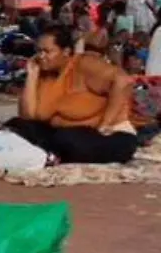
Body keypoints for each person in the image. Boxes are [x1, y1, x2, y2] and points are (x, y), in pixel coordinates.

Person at [9, 25, 136, 164]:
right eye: (38, 51)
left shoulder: (83, 64)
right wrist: (32, 76)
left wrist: (106, 124)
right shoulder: (43, 73)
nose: (41, 56)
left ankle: (49, 152)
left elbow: (124, 81)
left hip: (110, 136)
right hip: (64, 134)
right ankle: (49, 152)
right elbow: (28, 116)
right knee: (17, 125)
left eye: (47, 51)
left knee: (66, 140)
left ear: (66, 51)